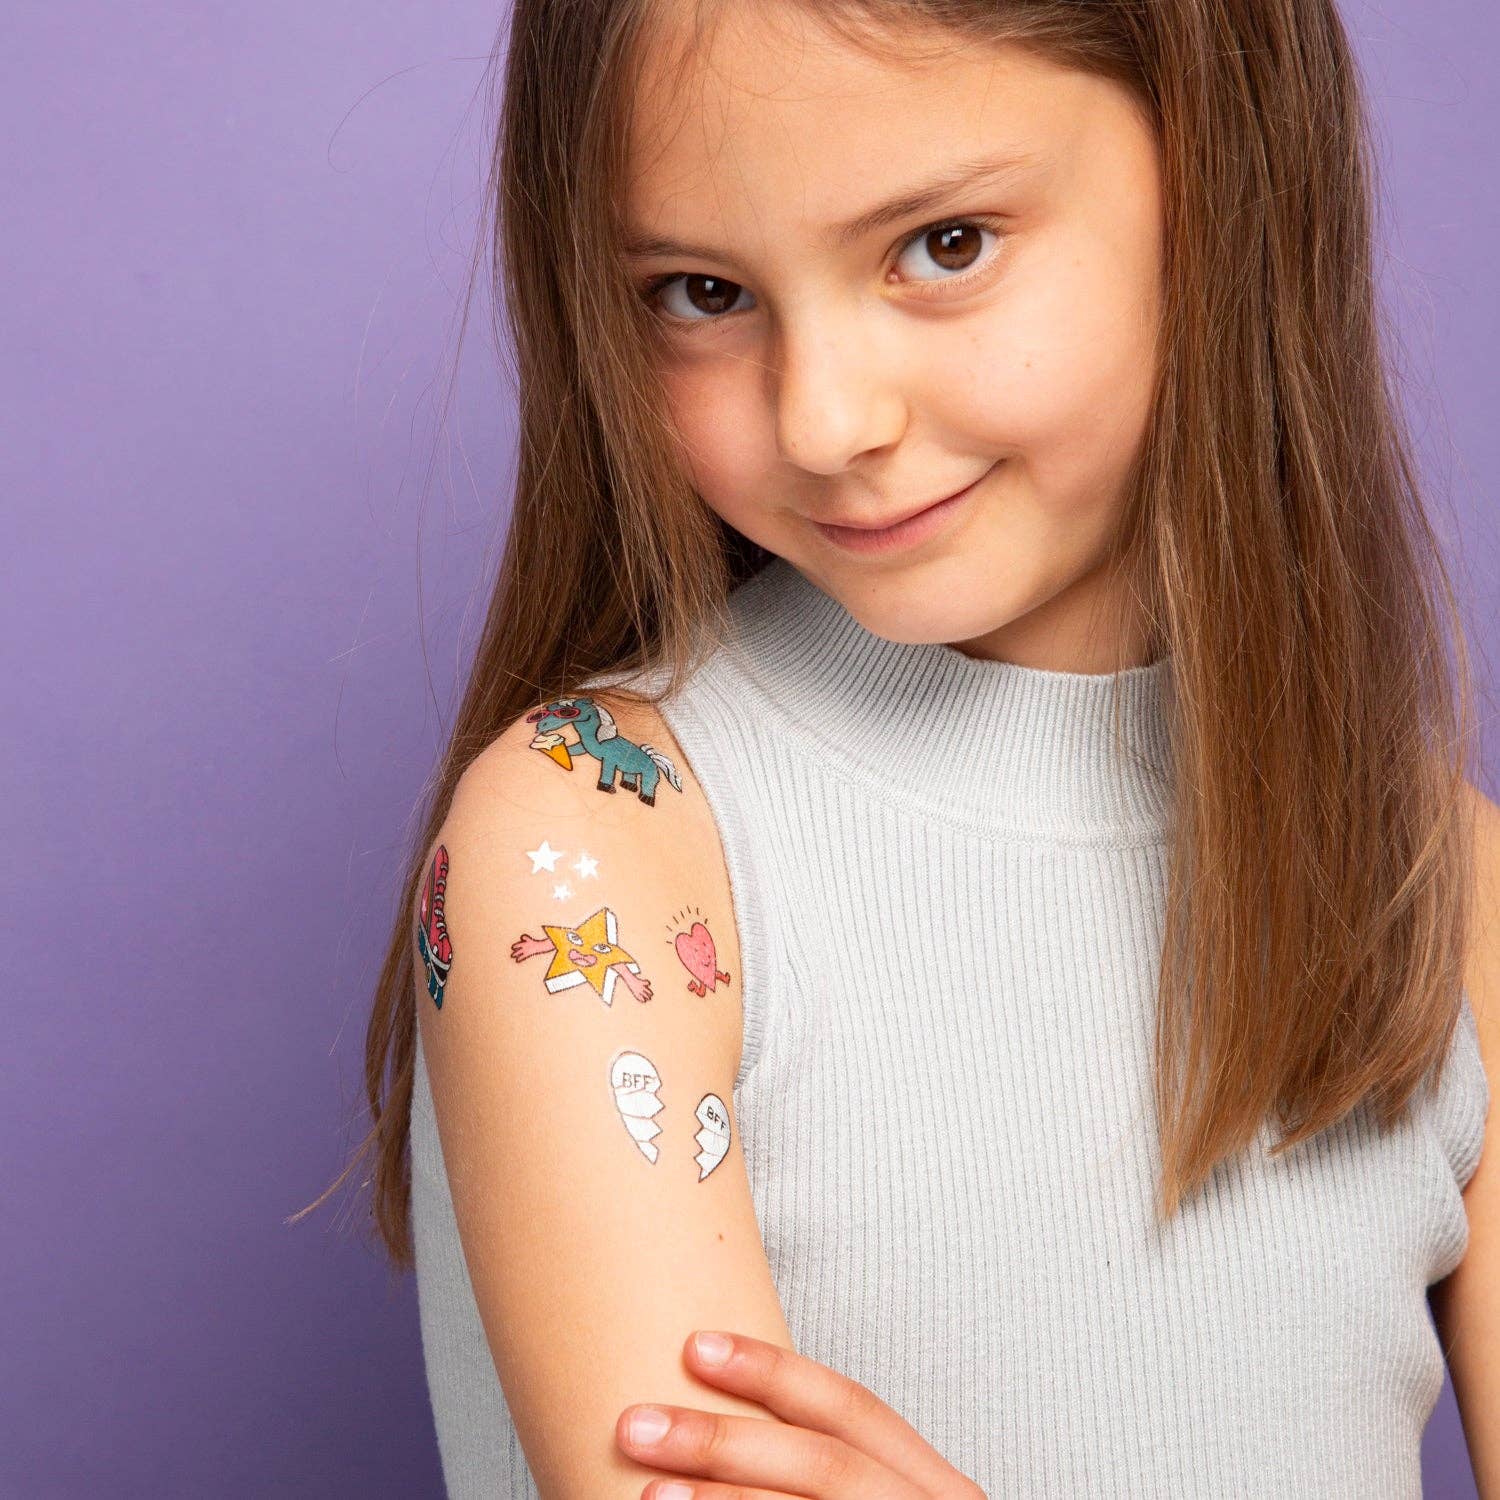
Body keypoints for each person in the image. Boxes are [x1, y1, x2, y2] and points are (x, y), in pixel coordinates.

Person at [338, 0, 1500, 1493]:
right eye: (700, 291)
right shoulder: (591, 852)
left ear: (1228, 176)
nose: (825, 419)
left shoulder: (1436, 891)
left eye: (943, 245)